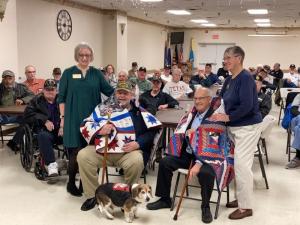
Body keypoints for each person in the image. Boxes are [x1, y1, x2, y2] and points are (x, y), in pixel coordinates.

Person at [146, 88, 234, 224]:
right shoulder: (191, 114)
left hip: (209, 157)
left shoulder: (216, 116)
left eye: (201, 98)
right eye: (196, 98)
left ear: (209, 100)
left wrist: (198, 163)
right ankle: (165, 199)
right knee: (164, 162)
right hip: (187, 153)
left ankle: (205, 207)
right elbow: (182, 132)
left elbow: (215, 145)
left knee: (207, 173)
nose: (197, 101)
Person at [77, 81, 160, 211]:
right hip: (103, 150)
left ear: (132, 95)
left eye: (125, 93)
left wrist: (138, 143)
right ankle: (93, 196)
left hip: (127, 153)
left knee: (137, 161)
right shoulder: (104, 109)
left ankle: (127, 197)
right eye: (119, 92)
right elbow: (88, 122)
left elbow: (152, 131)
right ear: (115, 94)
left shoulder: (139, 112)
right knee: (83, 156)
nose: (121, 96)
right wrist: (100, 129)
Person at [210, 46, 262, 220]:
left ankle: (246, 207)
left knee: (241, 166)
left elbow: (247, 106)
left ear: (238, 58)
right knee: (235, 164)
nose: (224, 61)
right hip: (233, 127)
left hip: (247, 128)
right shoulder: (228, 79)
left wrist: (228, 117)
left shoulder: (246, 78)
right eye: (224, 58)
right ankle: (241, 198)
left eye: (228, 58)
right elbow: (222, 100)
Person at [57, 42, 114, 197]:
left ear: (91, 56)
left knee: (90, 152)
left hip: (93, 121)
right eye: (81, 55)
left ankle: (85, 182)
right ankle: (70, 183)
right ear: (77, 55)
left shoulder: (97, 74)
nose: (84, 57)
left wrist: (124, 93)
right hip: (72, 119)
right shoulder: (68, 73)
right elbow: (61, 98)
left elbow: (110, 92)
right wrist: (62, 118)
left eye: (87, 55)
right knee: (75, 153)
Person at [23, 79, 62, 177]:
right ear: (43, 90)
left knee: (73, 133)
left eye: (52, 89)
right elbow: (27, 115)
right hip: (45, 131)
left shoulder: (62, 100)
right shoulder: (36, 100)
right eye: (47, 89)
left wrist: (64, 126)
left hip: (61, 130)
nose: (50, 92)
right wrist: (44, 120)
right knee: (43, 136)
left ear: (56, 90)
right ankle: (51, 165)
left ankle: (73, 162)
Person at [0, 70, 34, 151]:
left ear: (14, 78)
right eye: (5, 78)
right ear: (3, 79)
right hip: (2, 116)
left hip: (17, 115)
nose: (8, 81)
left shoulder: (21, 87)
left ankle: (14, 142)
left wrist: (23, 100)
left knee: (28, 120)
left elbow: (32, 95)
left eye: (10, 78)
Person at [285, 94, 300, 169]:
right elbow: (293, 109)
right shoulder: (299, 96)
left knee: (298, 129)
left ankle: (298, 157)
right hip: (298, 117)